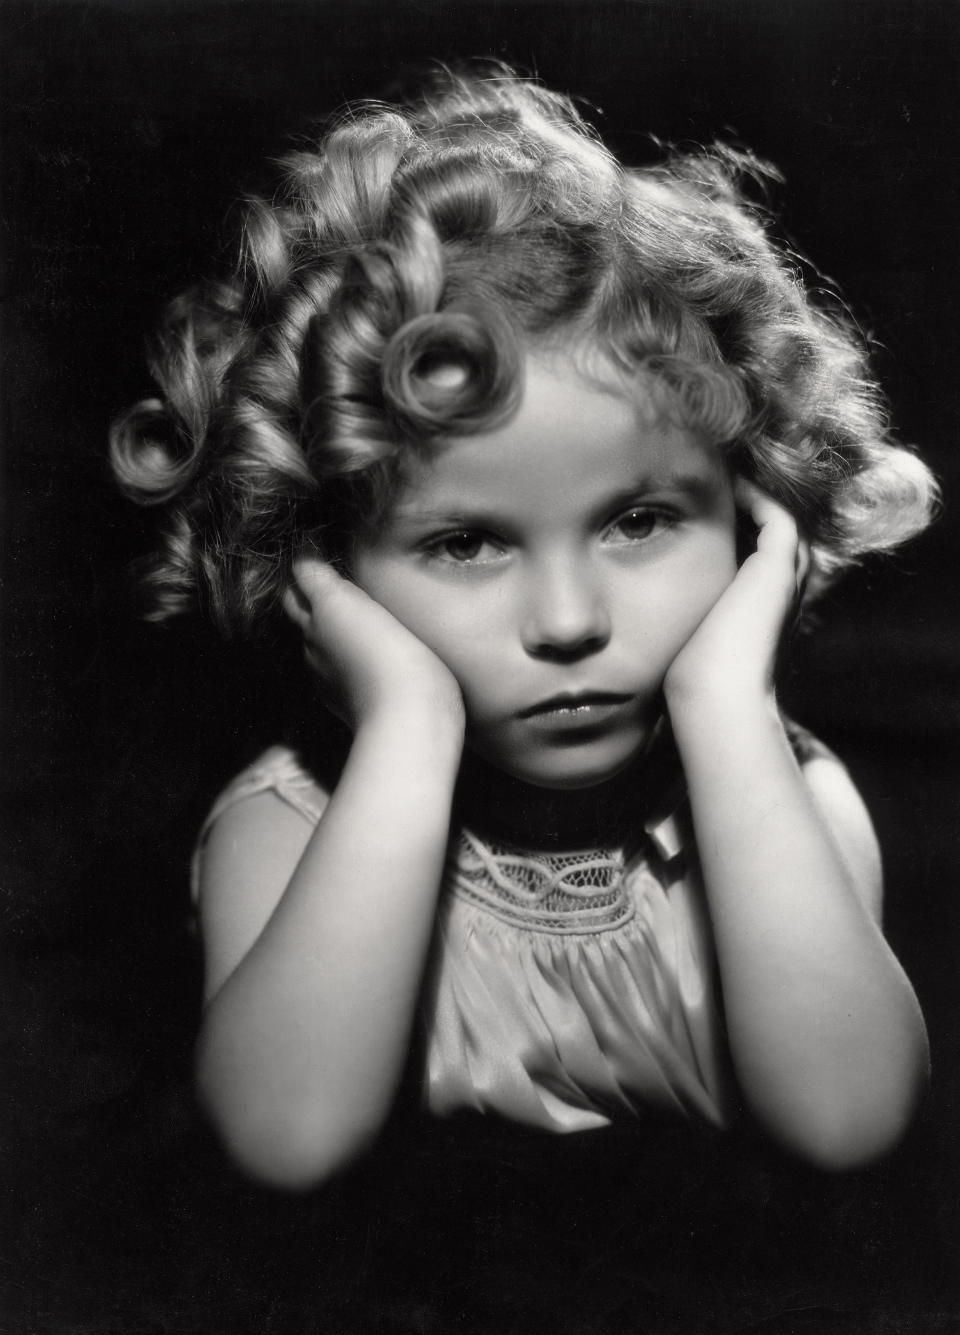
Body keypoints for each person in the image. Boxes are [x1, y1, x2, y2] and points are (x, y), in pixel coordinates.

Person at [110, 68, 936, 1192]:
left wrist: (726, 708)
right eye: (464, 544)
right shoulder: (289, 824)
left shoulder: (784, 793)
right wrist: (405, 731)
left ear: (754, 518)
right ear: (322, 567)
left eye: (640, 522)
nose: (569, 622)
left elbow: (849, 1121)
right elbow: (286, 1141)